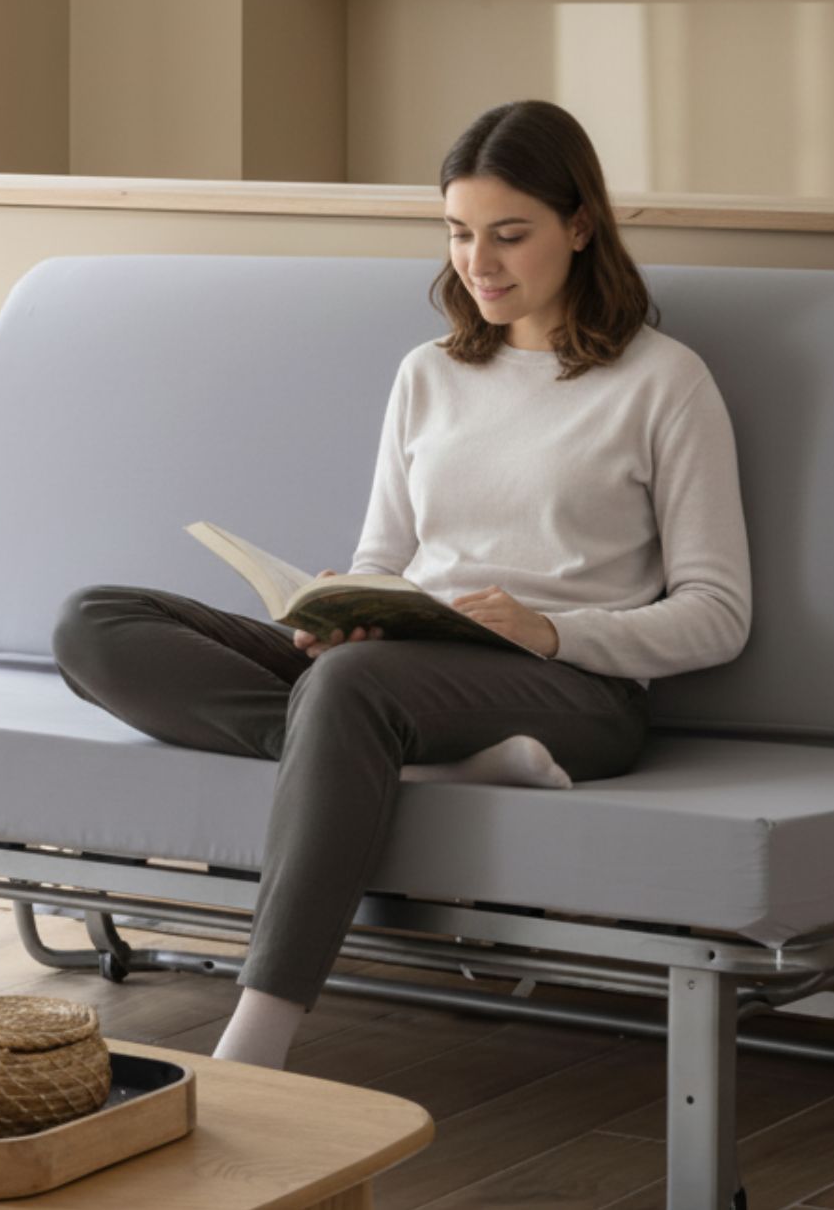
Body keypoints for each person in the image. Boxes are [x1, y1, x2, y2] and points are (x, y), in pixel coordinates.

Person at [49, 99, 751, 1069]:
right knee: (93, 622)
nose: (479, 263)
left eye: (509, 235)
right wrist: (351, 603)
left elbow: (718, 615)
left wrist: (548, 631)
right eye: (459, 234)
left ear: (579, 226)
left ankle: (255, 1042)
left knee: (347, 693)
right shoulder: (428, 372)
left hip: (575, 692)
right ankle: (381, 750)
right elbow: (386, 549)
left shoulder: (662, 381)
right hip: (407, 665)